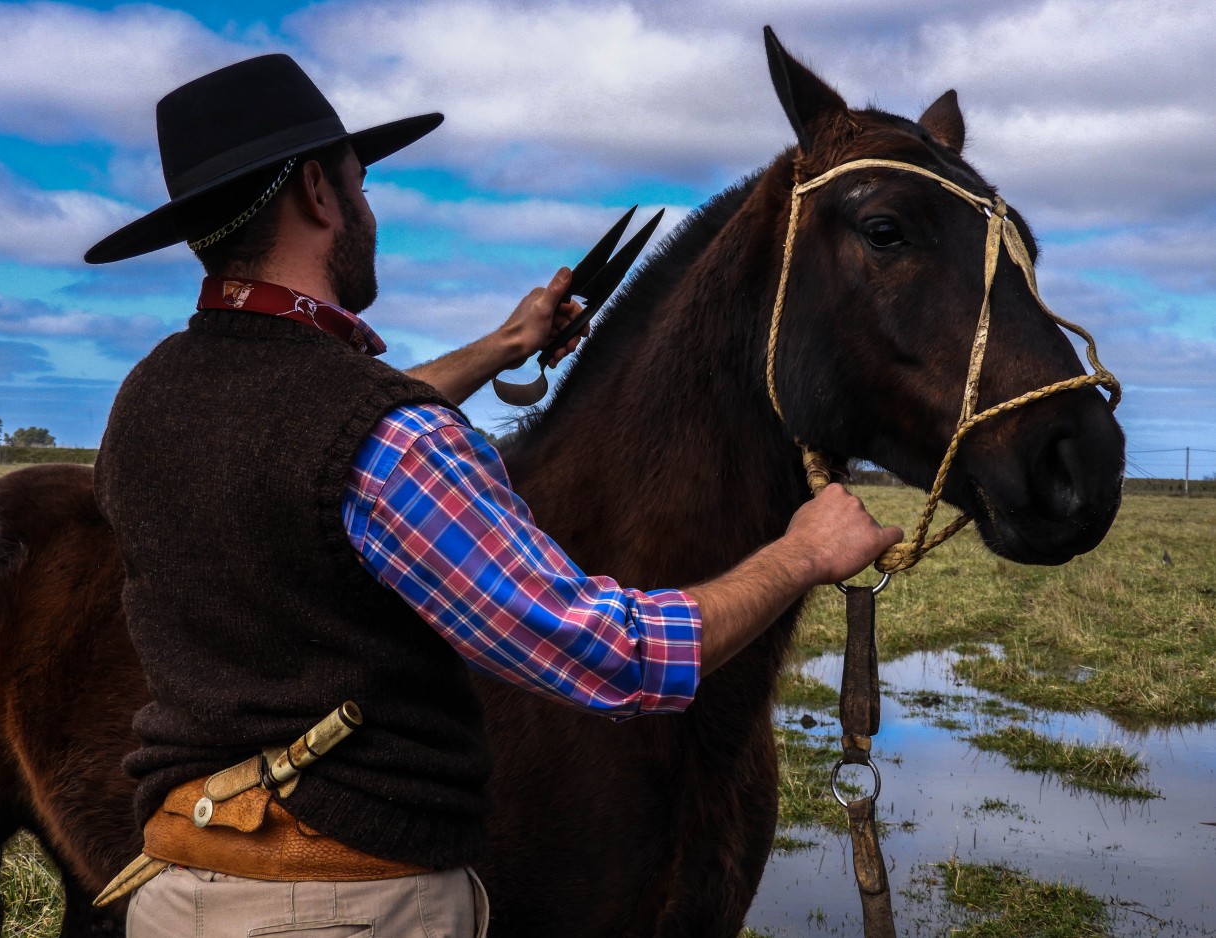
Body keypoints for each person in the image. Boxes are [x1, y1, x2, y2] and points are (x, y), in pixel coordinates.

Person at [86, 54, 902, 938]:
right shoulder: (387, 443)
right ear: (319, 193)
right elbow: (611, 657)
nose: (369, 212)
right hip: (355, 911)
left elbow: (311, 432)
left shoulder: (149, 399)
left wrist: (505, 344)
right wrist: (802, 552)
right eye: (361, 186)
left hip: (174, 895)